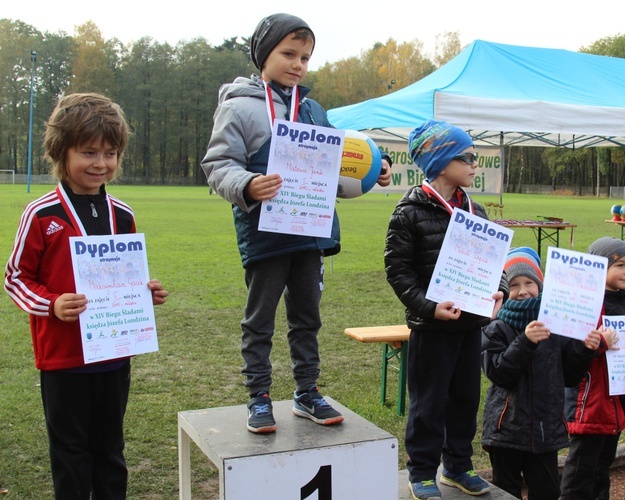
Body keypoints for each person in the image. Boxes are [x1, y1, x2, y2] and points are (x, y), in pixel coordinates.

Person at [201, 13, 392, 434]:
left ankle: (307, 391)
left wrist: (370, 173)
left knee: (307, 317)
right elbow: (217, 166)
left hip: (310, 233)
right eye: (289, 54)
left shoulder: (312, 110)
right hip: (265, 235)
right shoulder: (238, 108)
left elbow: (334, 170)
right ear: (262, 54)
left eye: (305, 57)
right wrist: (248, 184)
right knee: (260, 320)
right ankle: (259, 397)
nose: (298, 64)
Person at [3, 92, 169, 499]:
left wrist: (144, 294)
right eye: (89, 152)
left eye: (110, 153)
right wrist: (52, 304)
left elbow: (125, 279)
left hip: (114, 354)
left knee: (110, 450)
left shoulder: (123, 214)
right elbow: (15, 278)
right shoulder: (41, 214)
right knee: (71, 452)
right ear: (62, 152)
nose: (100, 164)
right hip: (63, 359)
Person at [384, 119, 492, 500]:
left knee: (465, 400)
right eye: (467, 157)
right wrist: (429, 308)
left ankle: (459, 467)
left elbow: (490, 262)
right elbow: (398, 271)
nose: (475, 164)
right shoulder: (408, 211)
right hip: (432, 329)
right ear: (442, 161)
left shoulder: (475, 210)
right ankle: (422, 472)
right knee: (428, 403)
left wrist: (494, 291)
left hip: (470, 327)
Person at [481, 247, 600, 500]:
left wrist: (584, 349)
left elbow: (570, 376)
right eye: (514, 285)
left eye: (529, 283)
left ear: (541, 285)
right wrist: (525, 341)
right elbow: (498, 373)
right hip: (506, 431)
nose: (523, 291)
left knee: (547, 491)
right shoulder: (496, 326)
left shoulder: (555, 325)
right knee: (505, 491)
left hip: (545, 430)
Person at [561, 237, 625, 500]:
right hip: (589, 401)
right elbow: (570, 358)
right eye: (620, 265)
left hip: (619, 399)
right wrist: (597, 344)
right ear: (598, 267)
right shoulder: (583, 303)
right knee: (580, 471)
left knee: (603, 467)